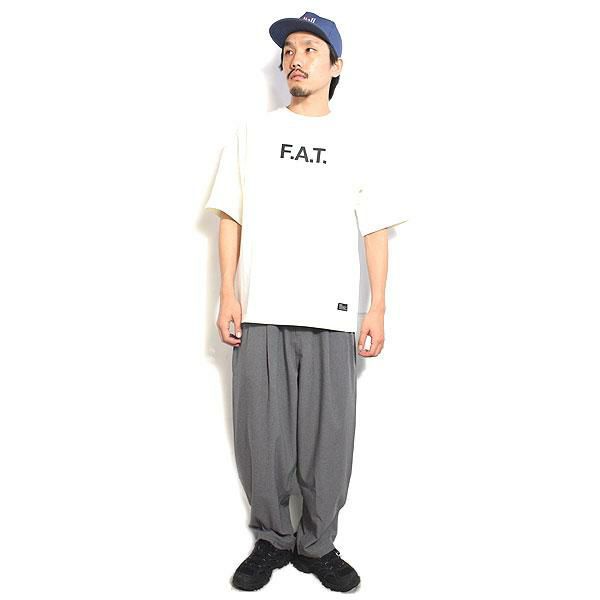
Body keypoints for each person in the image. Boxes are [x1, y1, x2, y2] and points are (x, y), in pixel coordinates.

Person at [204, 11, 408, 592]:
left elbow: (375, 227)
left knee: (329, 440)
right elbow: (230, 214)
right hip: (261, 311)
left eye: (310, 49)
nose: (295, 59)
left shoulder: (359, 140)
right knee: (260, 437)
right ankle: (272, 540)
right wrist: (227, 293)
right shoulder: (252, 134)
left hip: (332, 313)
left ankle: (318, 545)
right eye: (289, 50)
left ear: (335, 66)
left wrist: (377, 307)